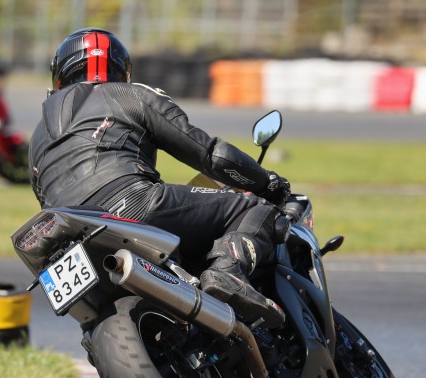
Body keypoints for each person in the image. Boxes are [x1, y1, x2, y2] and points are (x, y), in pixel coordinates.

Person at [29, 28, 291, 329]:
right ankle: (228, 272)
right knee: (255, 208)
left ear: (59, 76)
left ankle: (101, 334)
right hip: (128, 202)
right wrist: (267, 183)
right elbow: (210, 155)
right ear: (122, 70)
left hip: (65, 232)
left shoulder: (37, 135)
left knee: (93, 318)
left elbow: (41, 195)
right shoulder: (130, 94)